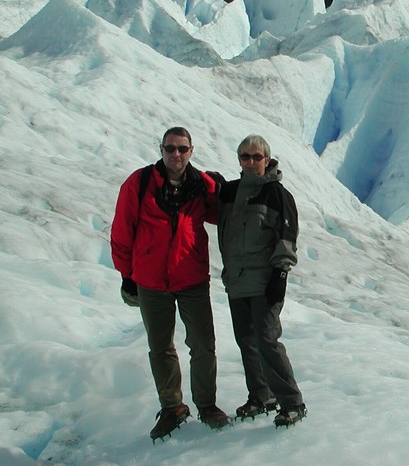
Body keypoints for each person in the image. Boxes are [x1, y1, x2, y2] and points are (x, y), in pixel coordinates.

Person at [110, 126, 231, 441]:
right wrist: (128, 276)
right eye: (170, 148)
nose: (175, 154)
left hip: (191, 279)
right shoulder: (139, 184)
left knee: (203, 345)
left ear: (191, 151)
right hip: (151, 281)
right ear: (161, 150)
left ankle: (207, 405)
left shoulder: (202, 185)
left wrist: (239, 186)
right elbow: (122, 231)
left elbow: (224, 214)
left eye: (182, 149)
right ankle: (172, 408)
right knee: (160, 347)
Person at [217, 134, 306, 427]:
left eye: (257, 157)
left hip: (265, 282)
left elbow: (287, 236)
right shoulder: (231, 193)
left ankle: (292, 402)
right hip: (237, 281)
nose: (251, 162)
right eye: (245, 156)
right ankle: (261, 396)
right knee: (246, 341)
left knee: (267, 340)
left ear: (267, 159)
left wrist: (281, 273)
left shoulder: (278, 195)